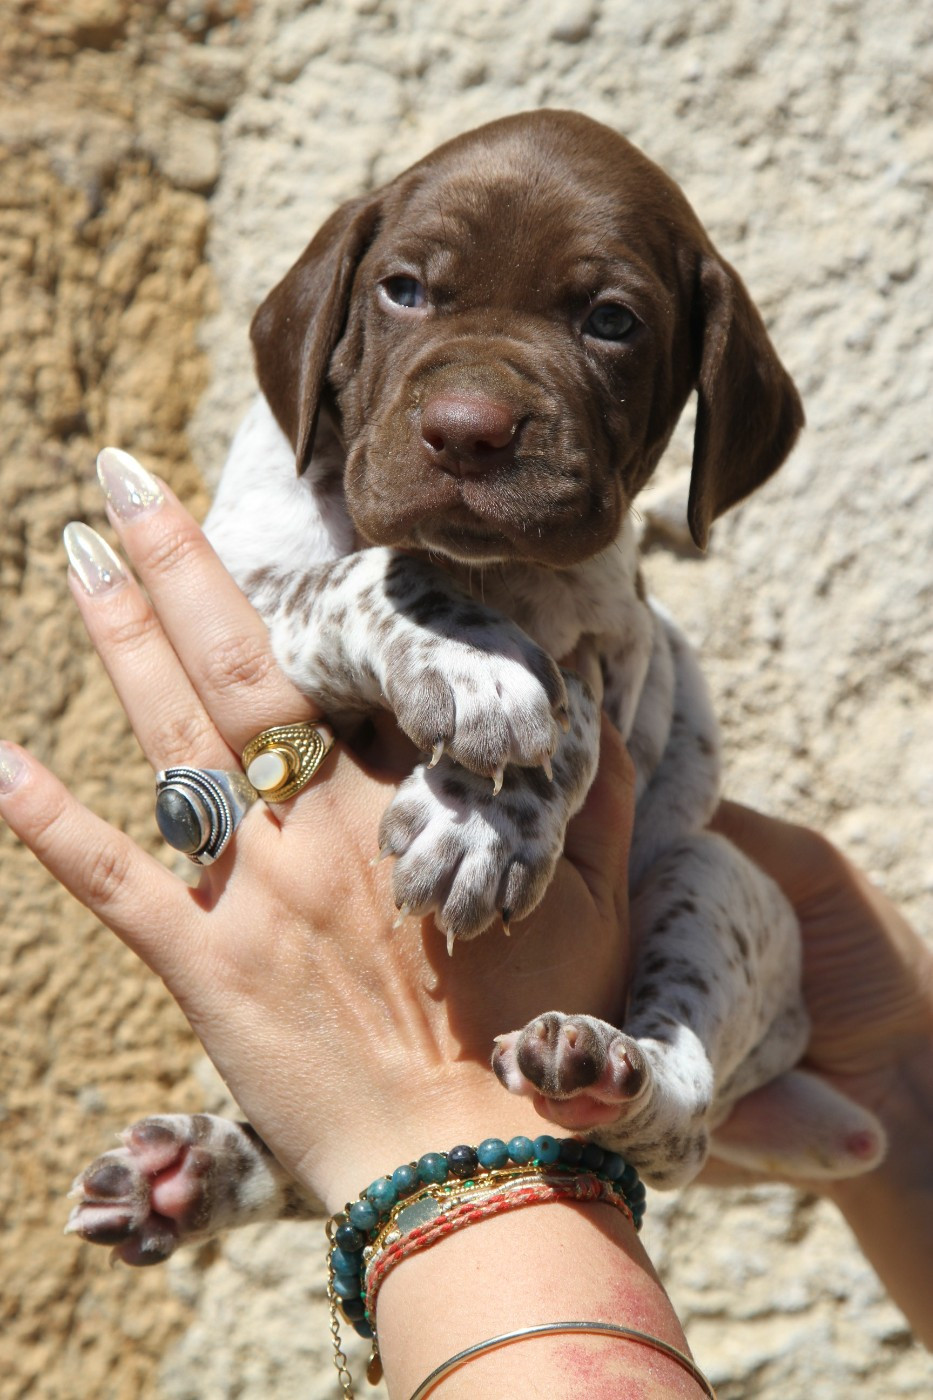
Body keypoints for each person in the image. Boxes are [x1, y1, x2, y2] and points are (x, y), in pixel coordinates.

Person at [0, 450, 929, 1398]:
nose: (470, 420)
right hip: (685, 1023)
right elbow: (252, 629)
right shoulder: (289, 469)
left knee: (705, 875)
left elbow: (569, 680)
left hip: (662, 950)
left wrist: (423, 1142)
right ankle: (328, 1149)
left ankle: (657, 1092)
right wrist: (896, 1078)